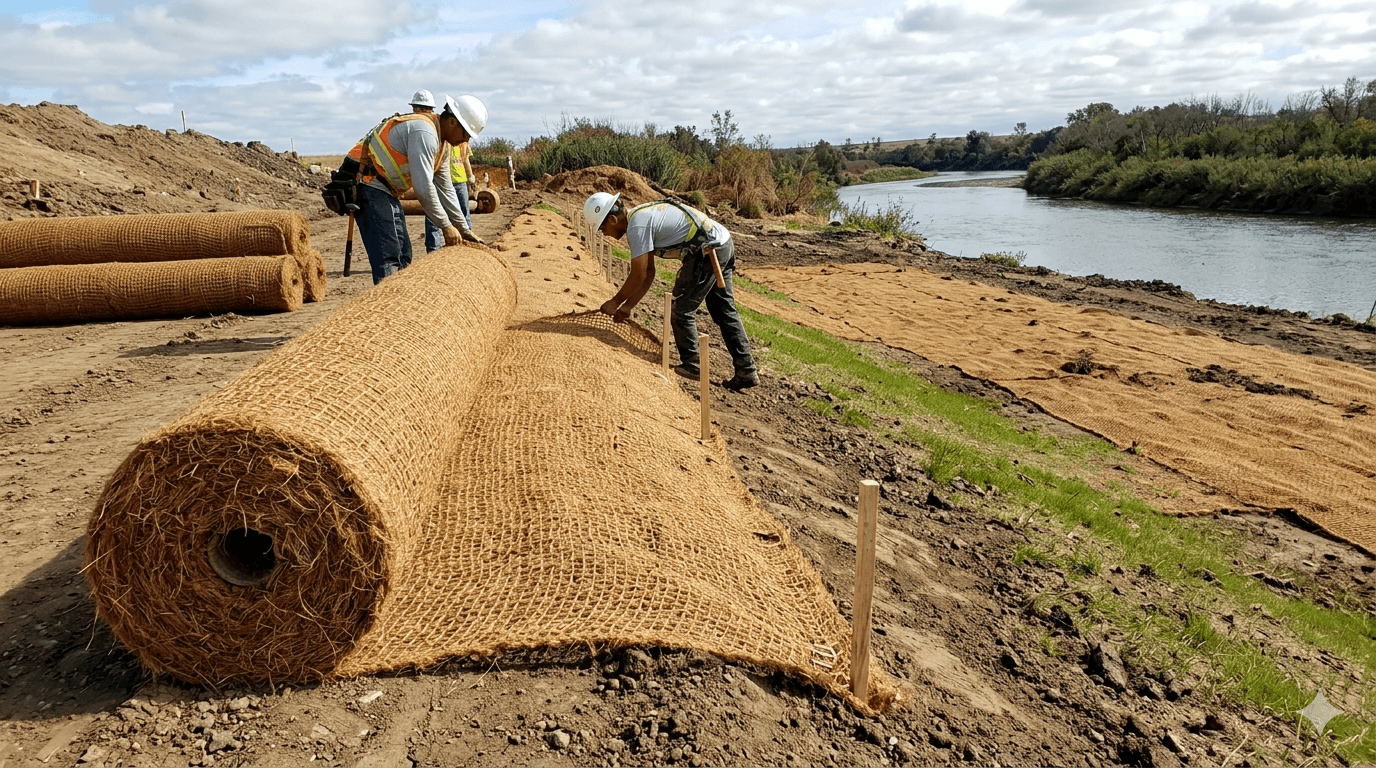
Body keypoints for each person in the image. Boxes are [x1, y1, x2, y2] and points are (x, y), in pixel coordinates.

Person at [586, 192, 759, 389]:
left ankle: (693, 365)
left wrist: (615, 302)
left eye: (602, 228)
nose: (604, 233)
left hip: (707, 250)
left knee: (681, 308)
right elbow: (649, 273)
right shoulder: (640, 217)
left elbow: (638, 274)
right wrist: (628, 306)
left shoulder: (637, 226)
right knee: (723, 309)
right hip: (722, 242)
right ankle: (746, 370)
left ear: (613, 219)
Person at [344, 94, 487, 284]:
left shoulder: (442, 145)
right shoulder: (425, 132)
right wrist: (446, 226)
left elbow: (446, 189)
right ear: (452, 122)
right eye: (465, 134)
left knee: (404, 255)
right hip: (369, 185)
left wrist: (463, 229)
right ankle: (387, 309)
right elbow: (423, 187)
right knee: (389, 257)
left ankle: (400, 305)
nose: (465, 141)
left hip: (388, 191)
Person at [424, 139, 474, 252]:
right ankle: (433, 249)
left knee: (463, 213)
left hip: (459, 182)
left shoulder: (463, 143)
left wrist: (470, 177)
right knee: (433, 217)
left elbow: (465, 160)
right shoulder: (440, 141)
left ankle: (467, 245)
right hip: (439, 183)